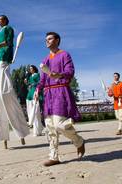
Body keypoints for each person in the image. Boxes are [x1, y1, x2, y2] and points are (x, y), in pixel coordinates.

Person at [34, 32, 85, 166]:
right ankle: (53, 157)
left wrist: (59, 75)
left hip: (60, 91)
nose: (47, 41)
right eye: (46, 39)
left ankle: (79, 141)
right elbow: (43, 79)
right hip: (48, 94)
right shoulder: (45, 60)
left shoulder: (64, 54)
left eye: (50, 39)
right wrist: (38, 89)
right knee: (50, 127)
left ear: (57, 40)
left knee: (59, 124)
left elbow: (70, 71)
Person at [0, 15, 29, 149]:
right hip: (0, 60)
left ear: (6, 20)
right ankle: (7, 136)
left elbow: (8, 43)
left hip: (5, 59)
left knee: (4, 93)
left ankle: (21, 133)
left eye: (0, 20)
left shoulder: (8, 29)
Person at [24, 65, 44, 136]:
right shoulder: (29, 76)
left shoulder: (37, 75)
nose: (30, 70)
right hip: (30, 93)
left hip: (35, 92)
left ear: (34, 69)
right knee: (30, 111)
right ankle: (35, 128)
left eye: (31, 68)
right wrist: (26, 82)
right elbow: (28, 84)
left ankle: (38, 131)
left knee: (36, 112)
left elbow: (40, 82)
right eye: (29, 69)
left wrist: (33, 84)